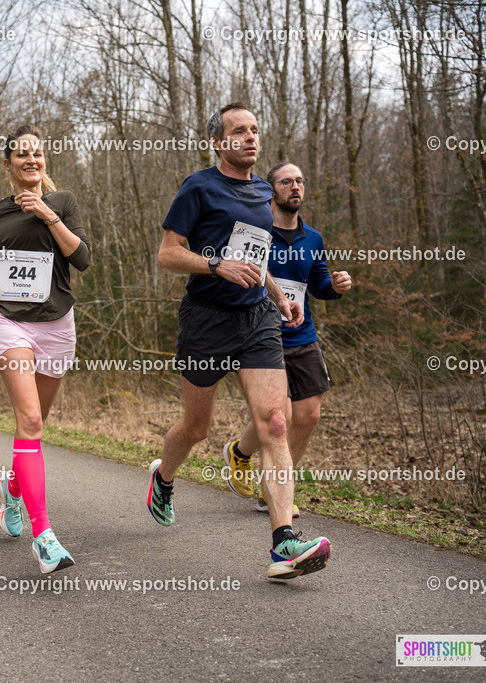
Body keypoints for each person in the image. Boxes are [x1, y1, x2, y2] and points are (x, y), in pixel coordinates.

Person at [147, 103, 331, 580]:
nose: (250, 138)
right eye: (239, 131)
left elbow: (259, 256)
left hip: (257, 318)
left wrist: (277, 294)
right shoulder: (199, 186)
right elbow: (167, 254)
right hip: (206, 319)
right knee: (196, 428)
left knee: (275, 421)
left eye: (254, 130)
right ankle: (163, 479)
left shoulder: (263, 192)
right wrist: (215, 265)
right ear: (219, 142)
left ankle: (284, 542)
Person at [0, 125, 91, 574]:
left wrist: (48, 216)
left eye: (37, 154)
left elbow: (82, 258)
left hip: (57, 325)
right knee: (31, 419)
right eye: (22, 155)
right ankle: (44, 537)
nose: (31, 160)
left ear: (44, 161)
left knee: (36, 426)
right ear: (8, 164)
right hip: (10, 323)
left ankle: (12, 490)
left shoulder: (64, 202)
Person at [221, 163, 352, 518]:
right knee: (281, 415)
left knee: (308, 415)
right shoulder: (256, 232)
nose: (295, 187)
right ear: (271, 189)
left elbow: (319, 283)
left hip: (302, 332)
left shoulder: (313, 238)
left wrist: (335, 287)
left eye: (300, 181)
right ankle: (271, 485)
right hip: (262, 331)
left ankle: (245, 457)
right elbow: (238, 274)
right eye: (287, 182)